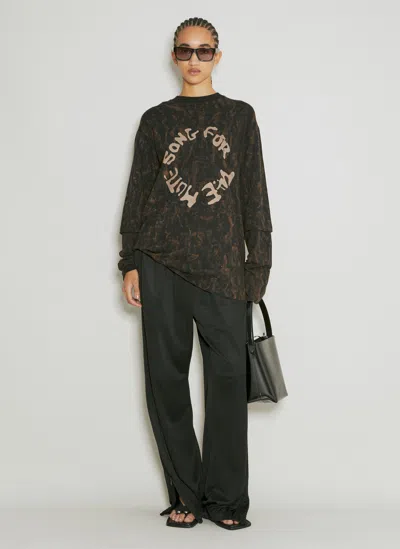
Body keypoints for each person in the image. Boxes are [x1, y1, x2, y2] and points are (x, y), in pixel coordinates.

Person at [117, 17, 273, 531]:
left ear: (217, 57)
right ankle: (185, 494)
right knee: (166, 382)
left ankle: (226, 501)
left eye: (204, 51)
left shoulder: (240, 116)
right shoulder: (156, 120)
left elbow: (254, 194)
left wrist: (258, 266)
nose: (194, 60)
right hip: (160, 262)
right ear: (174, 56)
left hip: (224, 269)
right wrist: (130, 261)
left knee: (227, 383)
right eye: (185, 50)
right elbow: (139, 192)